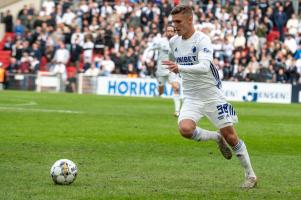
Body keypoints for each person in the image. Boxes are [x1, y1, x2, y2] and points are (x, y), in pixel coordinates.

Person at [162, 5, 257, 189]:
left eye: (178, 22)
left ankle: (250, 175)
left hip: (212, 95)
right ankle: (215, 137)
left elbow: (204, 67)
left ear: (190, 20)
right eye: (173, 22)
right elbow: (171, 63)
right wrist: (174, 77)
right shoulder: (174, 42)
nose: (175, 26)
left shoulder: (202, 40)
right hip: (191, 96)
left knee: (231, 137)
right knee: (185, 129)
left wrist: (179, 68)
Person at [148, 25, 181, 117]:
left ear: (174, 32)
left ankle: (177, 111)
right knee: (161, 91)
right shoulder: (160, 42)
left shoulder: (179, 42)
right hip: (161, 69)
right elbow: (150, 48)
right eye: (168, 31)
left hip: (172, 69)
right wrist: (145, 58)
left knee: (176, 87)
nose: (169, 33)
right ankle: (158, 90)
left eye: (171, 31)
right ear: (166, 32)